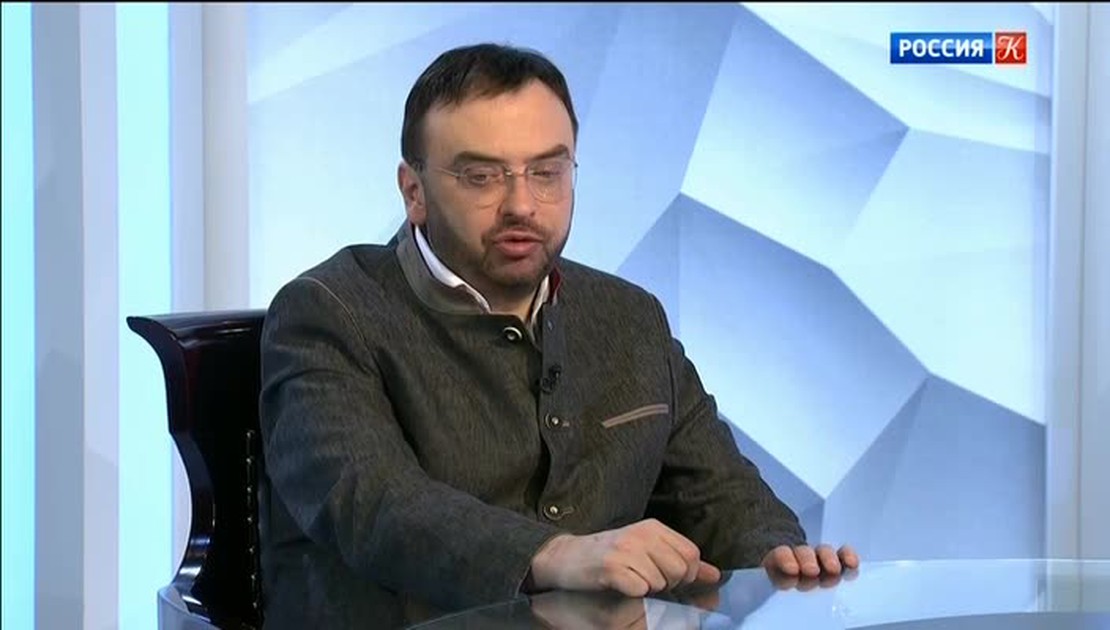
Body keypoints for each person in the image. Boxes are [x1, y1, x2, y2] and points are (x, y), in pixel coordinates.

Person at [258, 42, 858, 629]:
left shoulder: (629, 317)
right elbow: (370, 500)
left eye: (547, 172)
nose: (522, 204)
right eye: (481, 176)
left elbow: (719, 493)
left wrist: (778, 560)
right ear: (414, 191)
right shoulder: (326, 312)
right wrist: (553, 554)